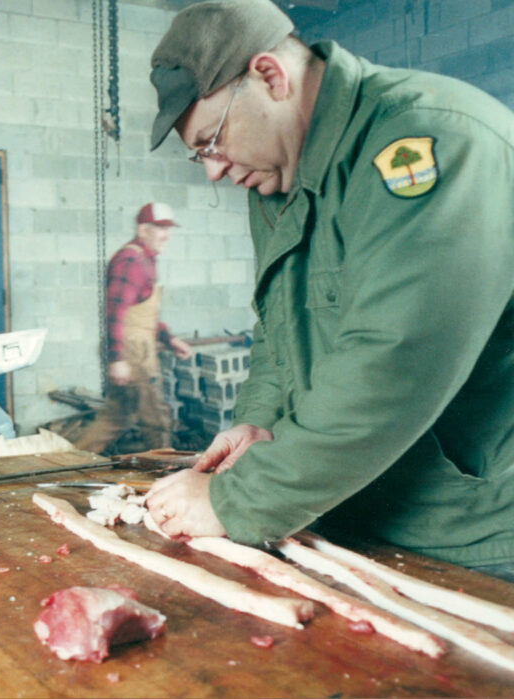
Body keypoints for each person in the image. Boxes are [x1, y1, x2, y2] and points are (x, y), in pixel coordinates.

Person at [143, 0, 514, 580]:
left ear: (270, 75)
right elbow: (276, 326)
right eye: (199, 155)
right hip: (354, 508)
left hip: (475, 533)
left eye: (212, 140)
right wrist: (258, 422)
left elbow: (394, 361)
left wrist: (234, 501)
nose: (212, 170)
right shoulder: (276, 182)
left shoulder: (432, 141)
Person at [77, 202, 194, 455]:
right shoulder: (130, 260)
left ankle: (70, 464)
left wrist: (169, 338)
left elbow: (141, 312)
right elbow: (115, 312)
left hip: (135, 348)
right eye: (160, 228)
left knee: (115, 417)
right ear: (143, 229)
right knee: (157, 421)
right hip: (132, 352)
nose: (167, 235)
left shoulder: (144, 260)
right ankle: (167, 474)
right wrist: (118, 359)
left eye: (168, 228)